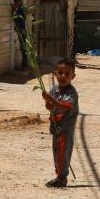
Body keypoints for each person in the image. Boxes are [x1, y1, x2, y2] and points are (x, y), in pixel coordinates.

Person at [42, 58, 79, 188]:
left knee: (63, 152)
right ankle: (59, 174)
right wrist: (48, 103)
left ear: (73, 76)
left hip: (65, 129)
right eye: (60, 73)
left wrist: (50, 99)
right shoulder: (54, 90)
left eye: (67, 74)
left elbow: (64, 106)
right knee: (57, 152)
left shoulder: (71, 92)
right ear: (55, 74)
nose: (63, 76)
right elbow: (51, 107)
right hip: (56, 127)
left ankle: (62, 177)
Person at [12, 0, 29, 69]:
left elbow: (16, 18)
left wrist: (14, 11)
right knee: (23, 46)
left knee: (23, 46)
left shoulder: (20, 9)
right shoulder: (23, 8)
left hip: (21, 29)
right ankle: (24, 63)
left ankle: (24, 64)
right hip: (23, 29)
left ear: (19, 1)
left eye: (16, 2)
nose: (15, 3)